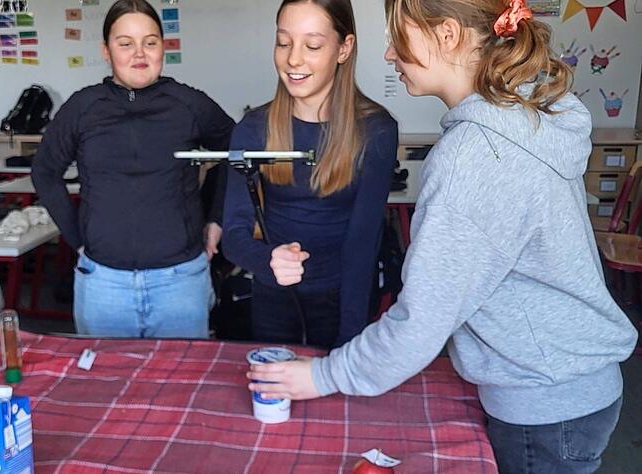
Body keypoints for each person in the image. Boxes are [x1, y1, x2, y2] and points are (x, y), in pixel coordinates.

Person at [247, 0, 638, 471]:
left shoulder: (474, 155)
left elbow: (421, 322)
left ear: (447, 35)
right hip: (575, 385)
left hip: (544, 403)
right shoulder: (528, 115)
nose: (389, 54)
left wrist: (322, 376)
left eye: (398, 38)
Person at [32, 0, 234, 339]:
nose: (139, 53)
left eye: (150, 42)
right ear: (106, 50)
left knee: (180, 373)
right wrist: (78, 240)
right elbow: (45, 171)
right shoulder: (83, 107)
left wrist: (217, 218)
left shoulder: (189, 104)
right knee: (106, 373)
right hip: (103, 283)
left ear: (163, 48)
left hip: (180, 281)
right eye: (125, 43)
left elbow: (237, 153)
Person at [221, 0, 398, 350]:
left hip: (342, 300)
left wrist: (348, 342)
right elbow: (233, 235)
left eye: (312, 45)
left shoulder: (376, 131)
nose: (293, 59)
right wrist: (267, 260)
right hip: (272, 300)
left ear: (344, 48)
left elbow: (363, 245)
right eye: (283, 43)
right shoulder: (252, 129)